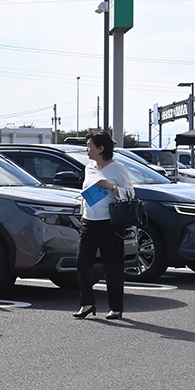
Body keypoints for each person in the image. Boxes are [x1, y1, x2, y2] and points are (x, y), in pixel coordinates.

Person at [73, 131, 134, 322]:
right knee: (82, 263)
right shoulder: (89, 168)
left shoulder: (118, 168)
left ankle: (116, 308)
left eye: (90, 145)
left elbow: (131, 194)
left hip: (110, 224)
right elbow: (85, 193)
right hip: (89, 223)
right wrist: (83, 214)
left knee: (112, 266)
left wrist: (111, 187)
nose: (87, 149)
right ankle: (87, 303)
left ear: (101, 148)